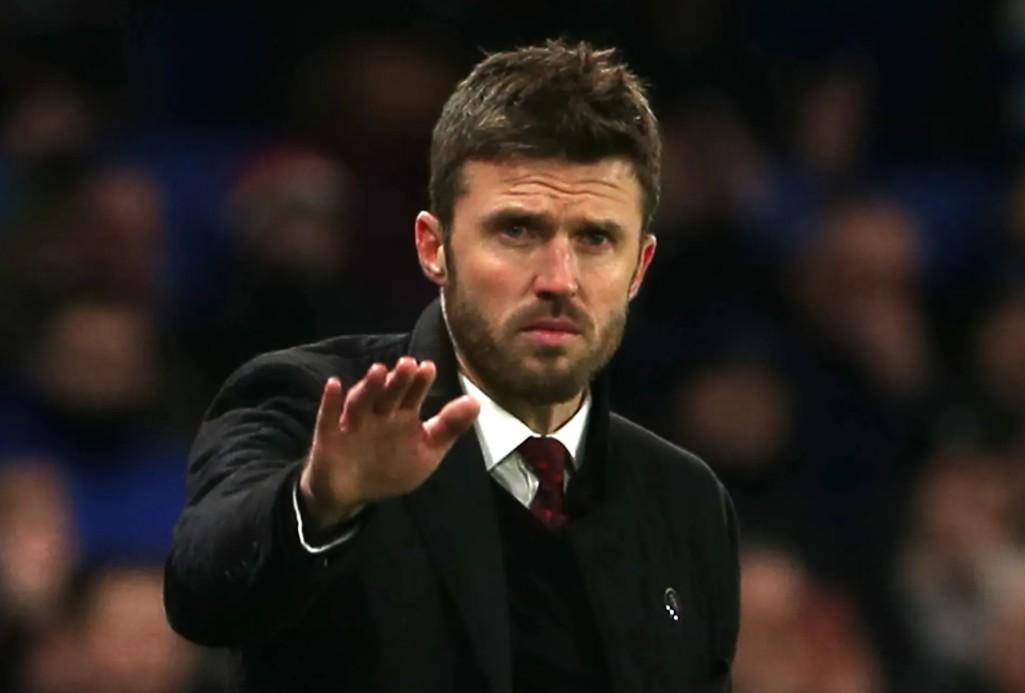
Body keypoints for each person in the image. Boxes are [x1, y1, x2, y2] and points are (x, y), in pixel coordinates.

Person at [164, 40, 739, 692]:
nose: (559, 279)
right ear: (434, 247)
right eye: (517, 230)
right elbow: (202, 595)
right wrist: (319, 503)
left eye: (596, 238)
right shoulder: (314, 407)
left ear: (639, 267)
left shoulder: (686, 503)